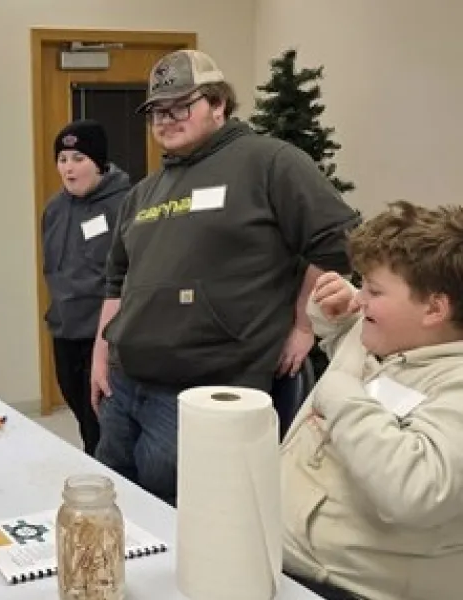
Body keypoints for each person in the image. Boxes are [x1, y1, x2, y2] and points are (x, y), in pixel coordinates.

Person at [90, 49, 359, 505]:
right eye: (156, 110)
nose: (165, 119)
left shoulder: (269, 161)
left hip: (207, 390)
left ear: (218, 104)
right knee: (118, 510)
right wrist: (101, 357)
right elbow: (117, 282)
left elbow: (335, 239)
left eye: (180, 106)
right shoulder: (144, 192)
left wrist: (303, 325)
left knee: (183, 524)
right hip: (125, 385)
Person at [283, 201, 463, 600]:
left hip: (348, 589)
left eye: (374, 291)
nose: (360, 298)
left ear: (435, 307)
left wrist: (341, 395)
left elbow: (417, 490)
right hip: (284, 560)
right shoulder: (397, 335)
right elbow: (380, 373)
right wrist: (335, 320)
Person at [42, 119, 131, 456]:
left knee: (104, 425)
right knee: (81, 416)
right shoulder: (54, 209)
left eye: (78, 158)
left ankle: (112, 486)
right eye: (63, 159)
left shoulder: (125, 203)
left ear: (99, 162)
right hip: (65, 330)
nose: (69, 167)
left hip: (104, 335)